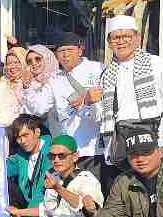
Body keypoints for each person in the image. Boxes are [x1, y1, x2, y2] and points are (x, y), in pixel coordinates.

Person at [97, 15, 163, 200]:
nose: (122, 41)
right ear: (109, 42)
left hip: (150, 144)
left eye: (127, 36)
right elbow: (100, 117)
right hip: (119, 148)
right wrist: (92, 102)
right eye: (116, 37)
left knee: (152, 199)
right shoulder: (106, 74)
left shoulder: (156, 65)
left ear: (137, 37)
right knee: (121, 200)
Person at [24, 33, 104, 180]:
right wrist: (27, 86)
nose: (65, 55)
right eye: (61, 51)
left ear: (80, 50)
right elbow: (39, 108)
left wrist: (88, 101)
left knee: (93, 197)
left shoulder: (98, 69)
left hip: (95, 149)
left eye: (70, 50)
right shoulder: (55, 80)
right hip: (69, 152)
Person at [5, 115, 51, 217]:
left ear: (37, 132)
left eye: (25, 135)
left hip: (47, 209)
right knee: (3, 182)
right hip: (28, 206)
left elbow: (40, 194)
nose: (22, 141)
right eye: (19, 138)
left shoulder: (51, 154)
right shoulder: (22, 153)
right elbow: (2, 170)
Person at [21, 44, 61, 133]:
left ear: (46, 58)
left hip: (60, 133)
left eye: (38, 59)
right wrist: (27, 87)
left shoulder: (57, 78)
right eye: (29, 61)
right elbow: (27, 112)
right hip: (38, 135)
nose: (34, 63)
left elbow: (40, 109)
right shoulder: (28, 83)